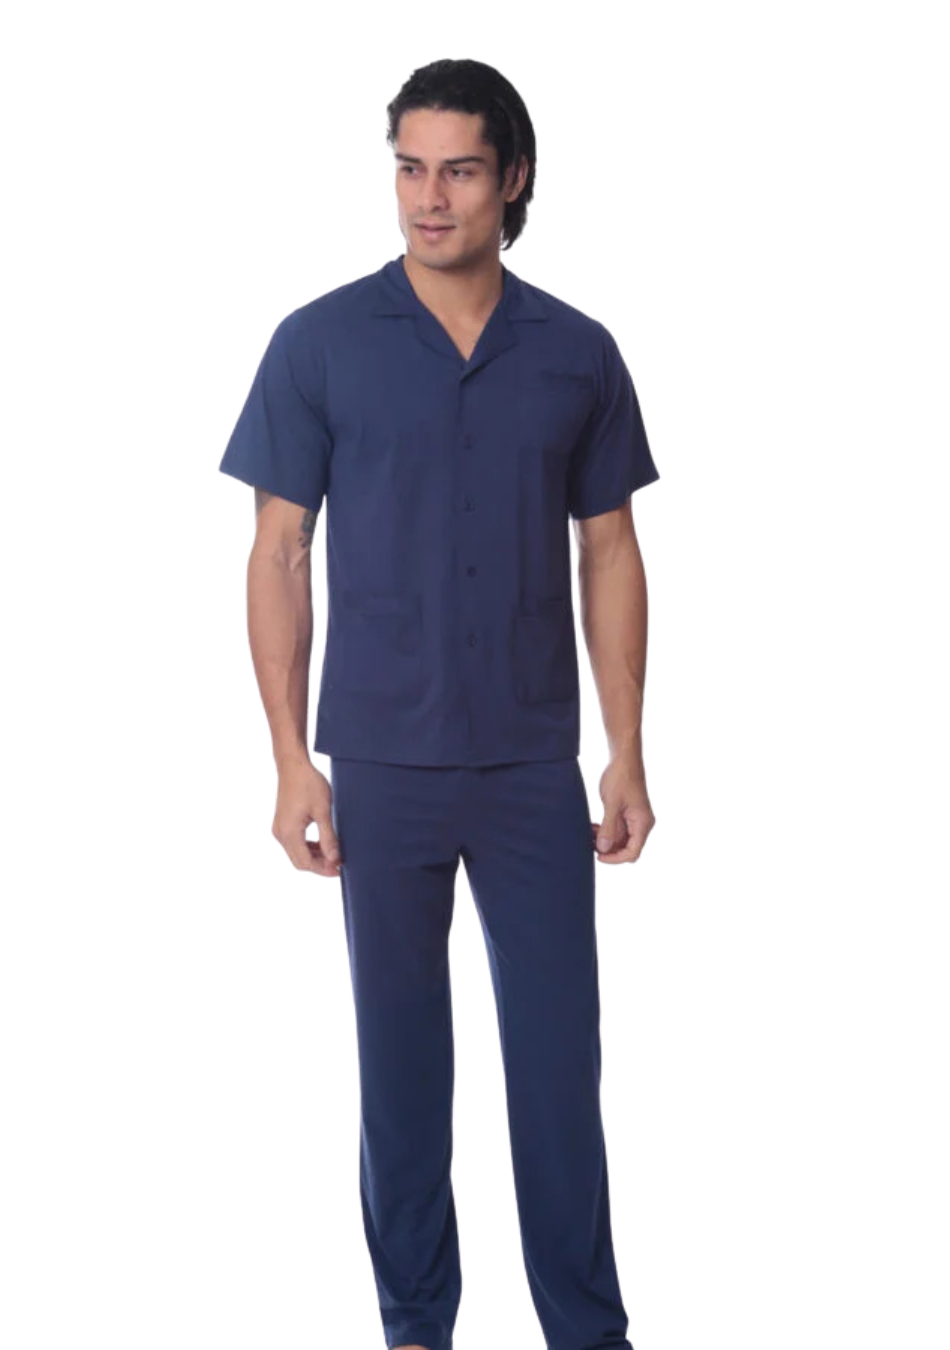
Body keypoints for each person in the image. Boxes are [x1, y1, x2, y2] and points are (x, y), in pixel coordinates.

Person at [219, 56, 659, 1350]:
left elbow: (610, 550)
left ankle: (587, 1331)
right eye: (408, 168)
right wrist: (289, 760)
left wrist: (626, 750)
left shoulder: (577, 352)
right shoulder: (318, 343)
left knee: (558, 1072)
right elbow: (278, 552)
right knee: (401, 1073)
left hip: (529, 764)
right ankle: (416, 1326)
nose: (428, 197)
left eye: (458, 170)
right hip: (382, 762)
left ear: (512, 178)